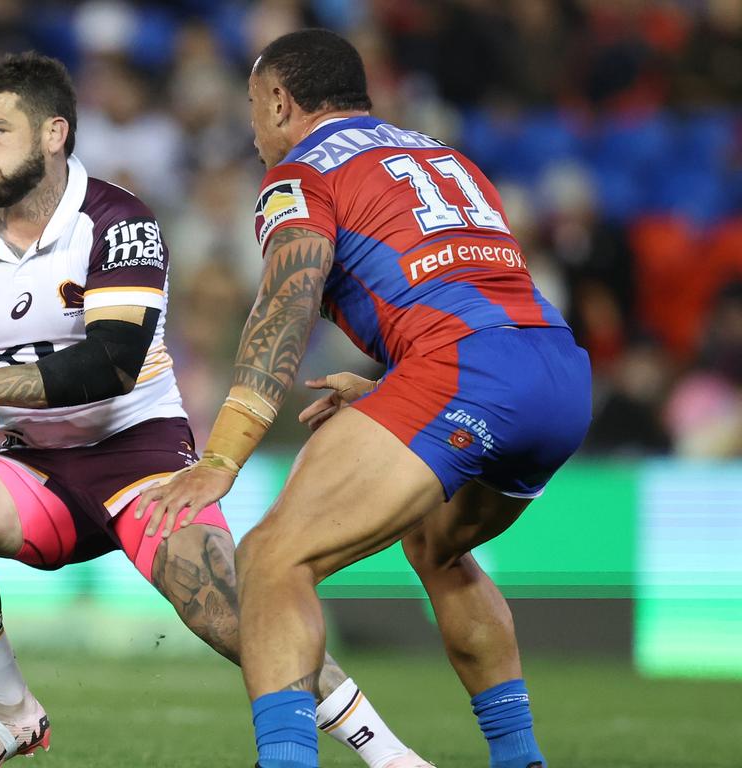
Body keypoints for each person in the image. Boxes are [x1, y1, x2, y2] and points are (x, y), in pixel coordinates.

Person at [0, 52, 429, 768]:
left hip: (141, 458)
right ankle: (11, 713)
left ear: (54, 133)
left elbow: (110, 362)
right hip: (37, 469)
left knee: (235, 616)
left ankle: (390, 756)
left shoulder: (118, 222)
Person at [139, 29, 592, 768]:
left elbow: (284, 308)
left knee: (270, 560)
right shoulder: (444, 156)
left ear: (281, 101)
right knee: (438, 546)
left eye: (254, 107)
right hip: (558, 373)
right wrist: (393, 382)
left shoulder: (298, 174)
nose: (253, 128)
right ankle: (521, 760)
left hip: (462, 373)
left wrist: (220, 455)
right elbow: (468, 288)